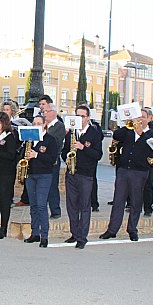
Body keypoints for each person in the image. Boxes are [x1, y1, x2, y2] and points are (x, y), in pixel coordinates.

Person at [100, 109, 153, 241]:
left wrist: (141, 134)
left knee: (136, 202)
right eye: (138, 117)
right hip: (124, 170)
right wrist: (128, 123)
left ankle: (132, 229)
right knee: (118, 201)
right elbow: (117, 134)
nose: (140, 120)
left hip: (140, 172)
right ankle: (112, 229)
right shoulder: (128, 131)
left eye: (143, 117)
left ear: (149, 119)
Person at [61, 106, 103, 249]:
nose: (80, 119)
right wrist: (66, 157)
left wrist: (83, 148)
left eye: (83, 116)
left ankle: (82, 237)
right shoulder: (71, 133)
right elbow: (64, 151)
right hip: (71, 172)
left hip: (86, 174)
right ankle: (75, 233)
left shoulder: (94, 134)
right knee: (71, 205)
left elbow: (98, 155)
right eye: (77, 116)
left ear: (88, 118)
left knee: (84, 206)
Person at [23, 115, 58, 248]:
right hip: (31, 174)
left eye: (39, 123)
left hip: (44, 175)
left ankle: (44, 236)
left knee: (42, 205)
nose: (36, 125)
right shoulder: (29, 140)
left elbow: (52, 158)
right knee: (33, 205)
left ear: (44, 125)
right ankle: (35, 233)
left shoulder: (50, 140)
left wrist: (37, 155)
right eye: (34, 123)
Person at [43, 103, 65, 219]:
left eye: (46, 111)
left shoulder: (59, 126)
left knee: (52, 185)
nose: (44, 114)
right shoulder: (42, 125)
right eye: (43, 112)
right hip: (41, 159)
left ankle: (55, 210)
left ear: (53, 113)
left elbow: (55, 142)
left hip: (53, 160)